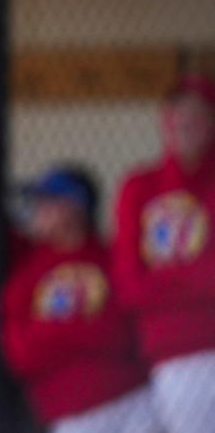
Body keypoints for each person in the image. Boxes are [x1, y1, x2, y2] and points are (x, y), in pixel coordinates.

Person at [1, 166, 160, 433]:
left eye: (47, 202)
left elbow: (127, 333)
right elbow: (19, 351)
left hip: (133, 401)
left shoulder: (110, 259)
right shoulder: (26, 275)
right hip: (72, 414)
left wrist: (54, 335)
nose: (36, 211)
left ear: (75, 207)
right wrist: (88, 329)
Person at [111, 73, 215, 433]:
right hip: (169, 352)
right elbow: (128, 286)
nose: (184, 123)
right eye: (175, 114)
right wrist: (197, 279)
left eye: (198, 114)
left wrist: (160, 283)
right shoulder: (139, 186)